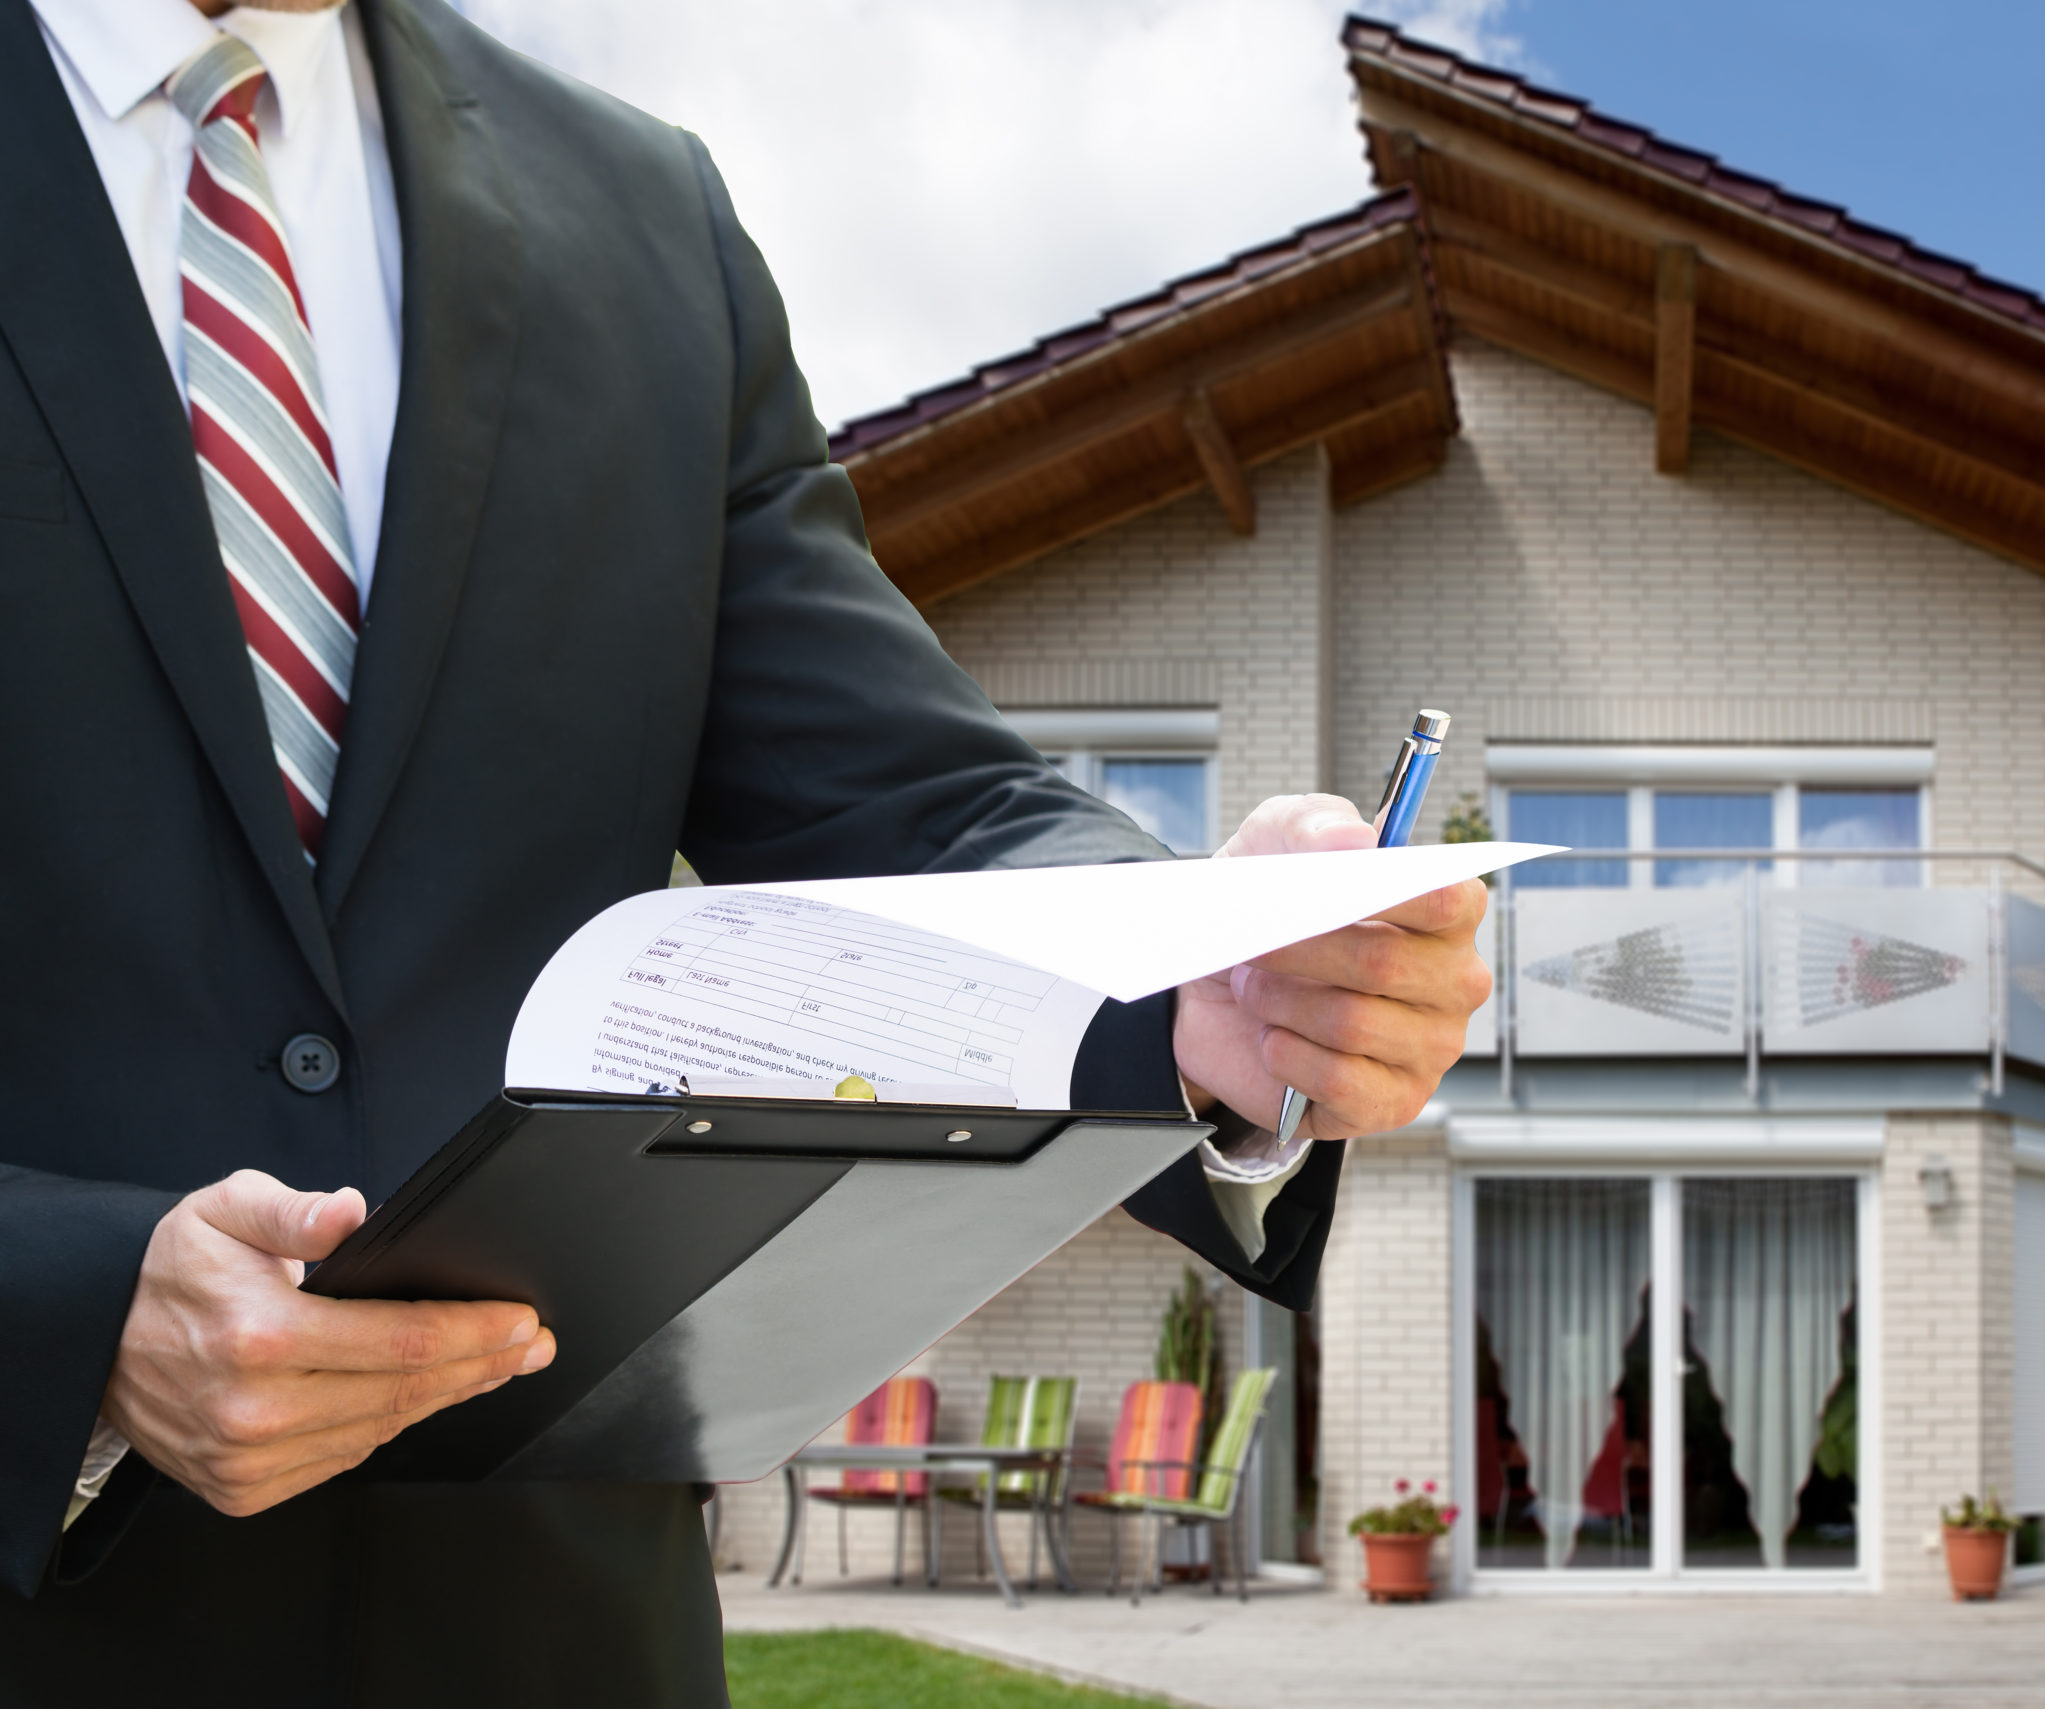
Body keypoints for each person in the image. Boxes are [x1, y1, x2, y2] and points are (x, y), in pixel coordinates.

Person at [0, 0, 1490, 1700]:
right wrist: (60, 1311)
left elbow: (906, 804)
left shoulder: (644, 221)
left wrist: (1204, 987)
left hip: (558, 1638)